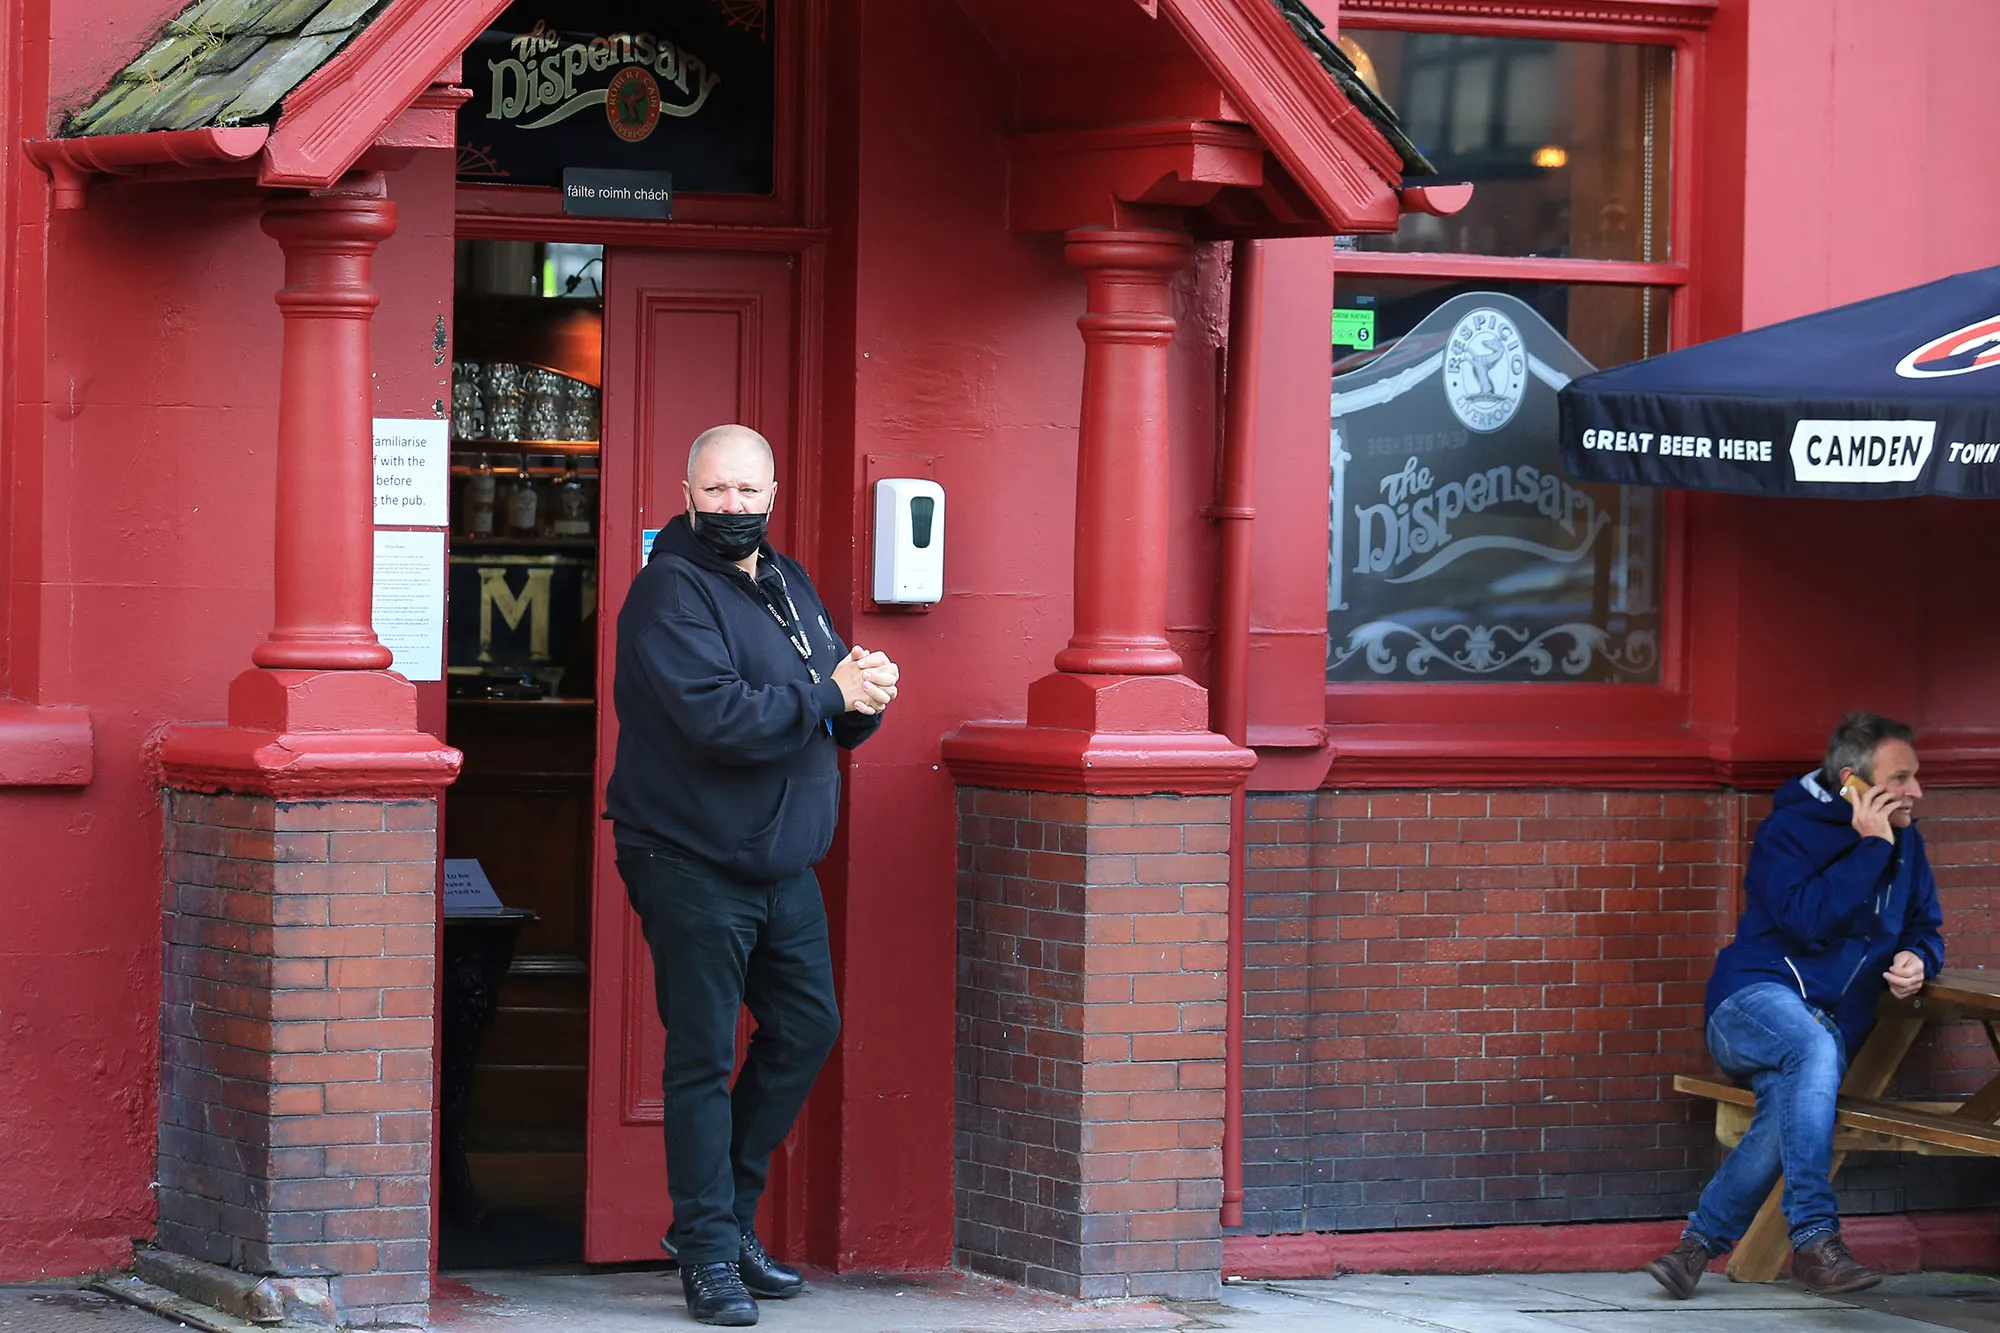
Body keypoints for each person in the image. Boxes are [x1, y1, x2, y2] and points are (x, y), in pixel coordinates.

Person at [606, 424, 899, 1327]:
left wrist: (865, 699)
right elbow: (718, 720)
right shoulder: (667, 591)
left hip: (783, 861)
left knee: (807, 1027)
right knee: (701, 1054)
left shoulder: (785, 578)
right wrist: (829, 697)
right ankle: (707, 1253)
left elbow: (828, 692)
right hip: (689, 856)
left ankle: (724, 1218)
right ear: (687, 490)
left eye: (749, 492)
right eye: (718, 490)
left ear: (773, 493)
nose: (734, 507)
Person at [1647, 713, 1943, 1300]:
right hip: (1750, 1003)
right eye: (1902, 778)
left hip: (1824, 1029)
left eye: (1916, 777)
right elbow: (1805, 920)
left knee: (1797, 1090)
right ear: (1855, 783)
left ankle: (1694, 1247)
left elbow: (1926, 926)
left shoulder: (1909, 845)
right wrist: (1869, 848)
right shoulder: (1790, 831)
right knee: (1812, 1049)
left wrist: (1918, 959)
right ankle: (1814, 1238)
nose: (1916, 792)